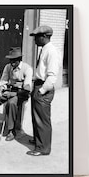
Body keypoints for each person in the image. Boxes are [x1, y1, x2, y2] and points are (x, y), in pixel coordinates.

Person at [0, 47, 33, 141]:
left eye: (14, 61)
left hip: (21, 93)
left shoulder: (27, 69)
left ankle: (11, 130)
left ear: (19, 60)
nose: (12, 63)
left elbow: (27, 88)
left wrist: (14, 91)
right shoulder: (8, 67)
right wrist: (0, 89)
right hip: (10, 90)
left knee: (11, 103)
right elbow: (3, 81)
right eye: (10, 60)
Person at [27, 25, 60, 156]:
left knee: (42, 119)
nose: (35, 39)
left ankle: (43, 148)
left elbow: (52, 76)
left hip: (44, 88)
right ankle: (38, 140)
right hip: (38, 85)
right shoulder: (44, 49)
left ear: (45, 37)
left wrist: (41, 91)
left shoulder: (51, 51)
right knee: (36, 117)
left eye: (37, 37)